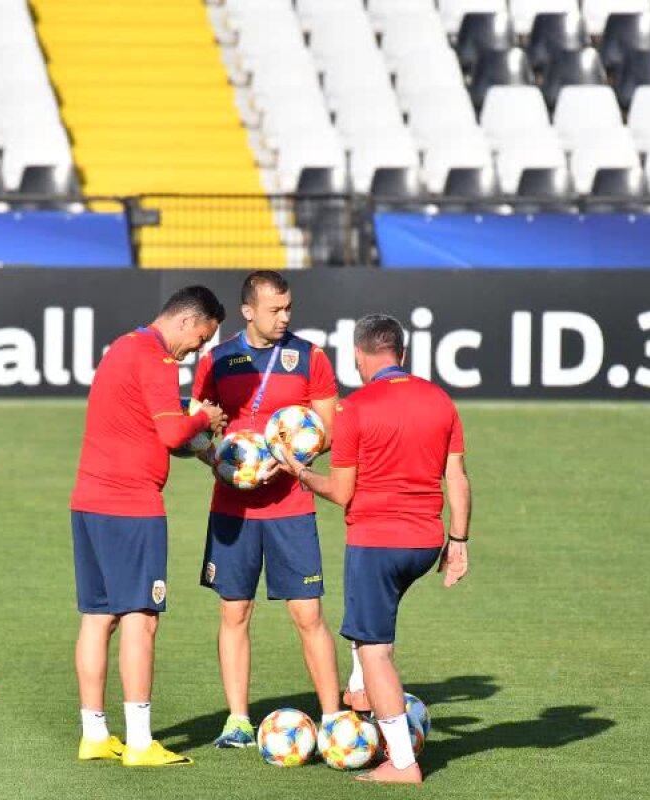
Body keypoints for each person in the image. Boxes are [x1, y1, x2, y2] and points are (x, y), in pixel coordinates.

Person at [278, 313, 472, 785]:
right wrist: (459, 541)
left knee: (375, 649)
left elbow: (342, 492)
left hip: (376, 543)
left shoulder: (356, 408)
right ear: (402, 355)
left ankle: (402, 763)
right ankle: (362, 690)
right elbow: (457, 477)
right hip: (425, 543)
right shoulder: (440, 400)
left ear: (359, 357)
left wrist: (299, 473)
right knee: (373, 628)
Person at [69, 286, 228, 767]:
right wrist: (205, 415)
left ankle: (93, 734)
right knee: (142, 618)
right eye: (201, 338)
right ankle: (139, 742)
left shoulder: (122, 346)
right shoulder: (157, 360)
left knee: (98, 618)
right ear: (184, 321)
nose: (198, 348)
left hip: (89, 501)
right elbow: (173, 432)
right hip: (130, 506)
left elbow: (147, 418)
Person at [191, 270, 342, 748]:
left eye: (289, 308)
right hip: (232, 508)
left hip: (290, 506)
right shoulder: (217, 359)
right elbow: (194, 428)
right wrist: (221, 460)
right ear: (248, 311)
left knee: (307, 614)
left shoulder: (310, 357)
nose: (285, 317)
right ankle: (237, 720)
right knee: (235, 611)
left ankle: (335, 718)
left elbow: (328, 427)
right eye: (275, 309)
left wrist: (292, 459)